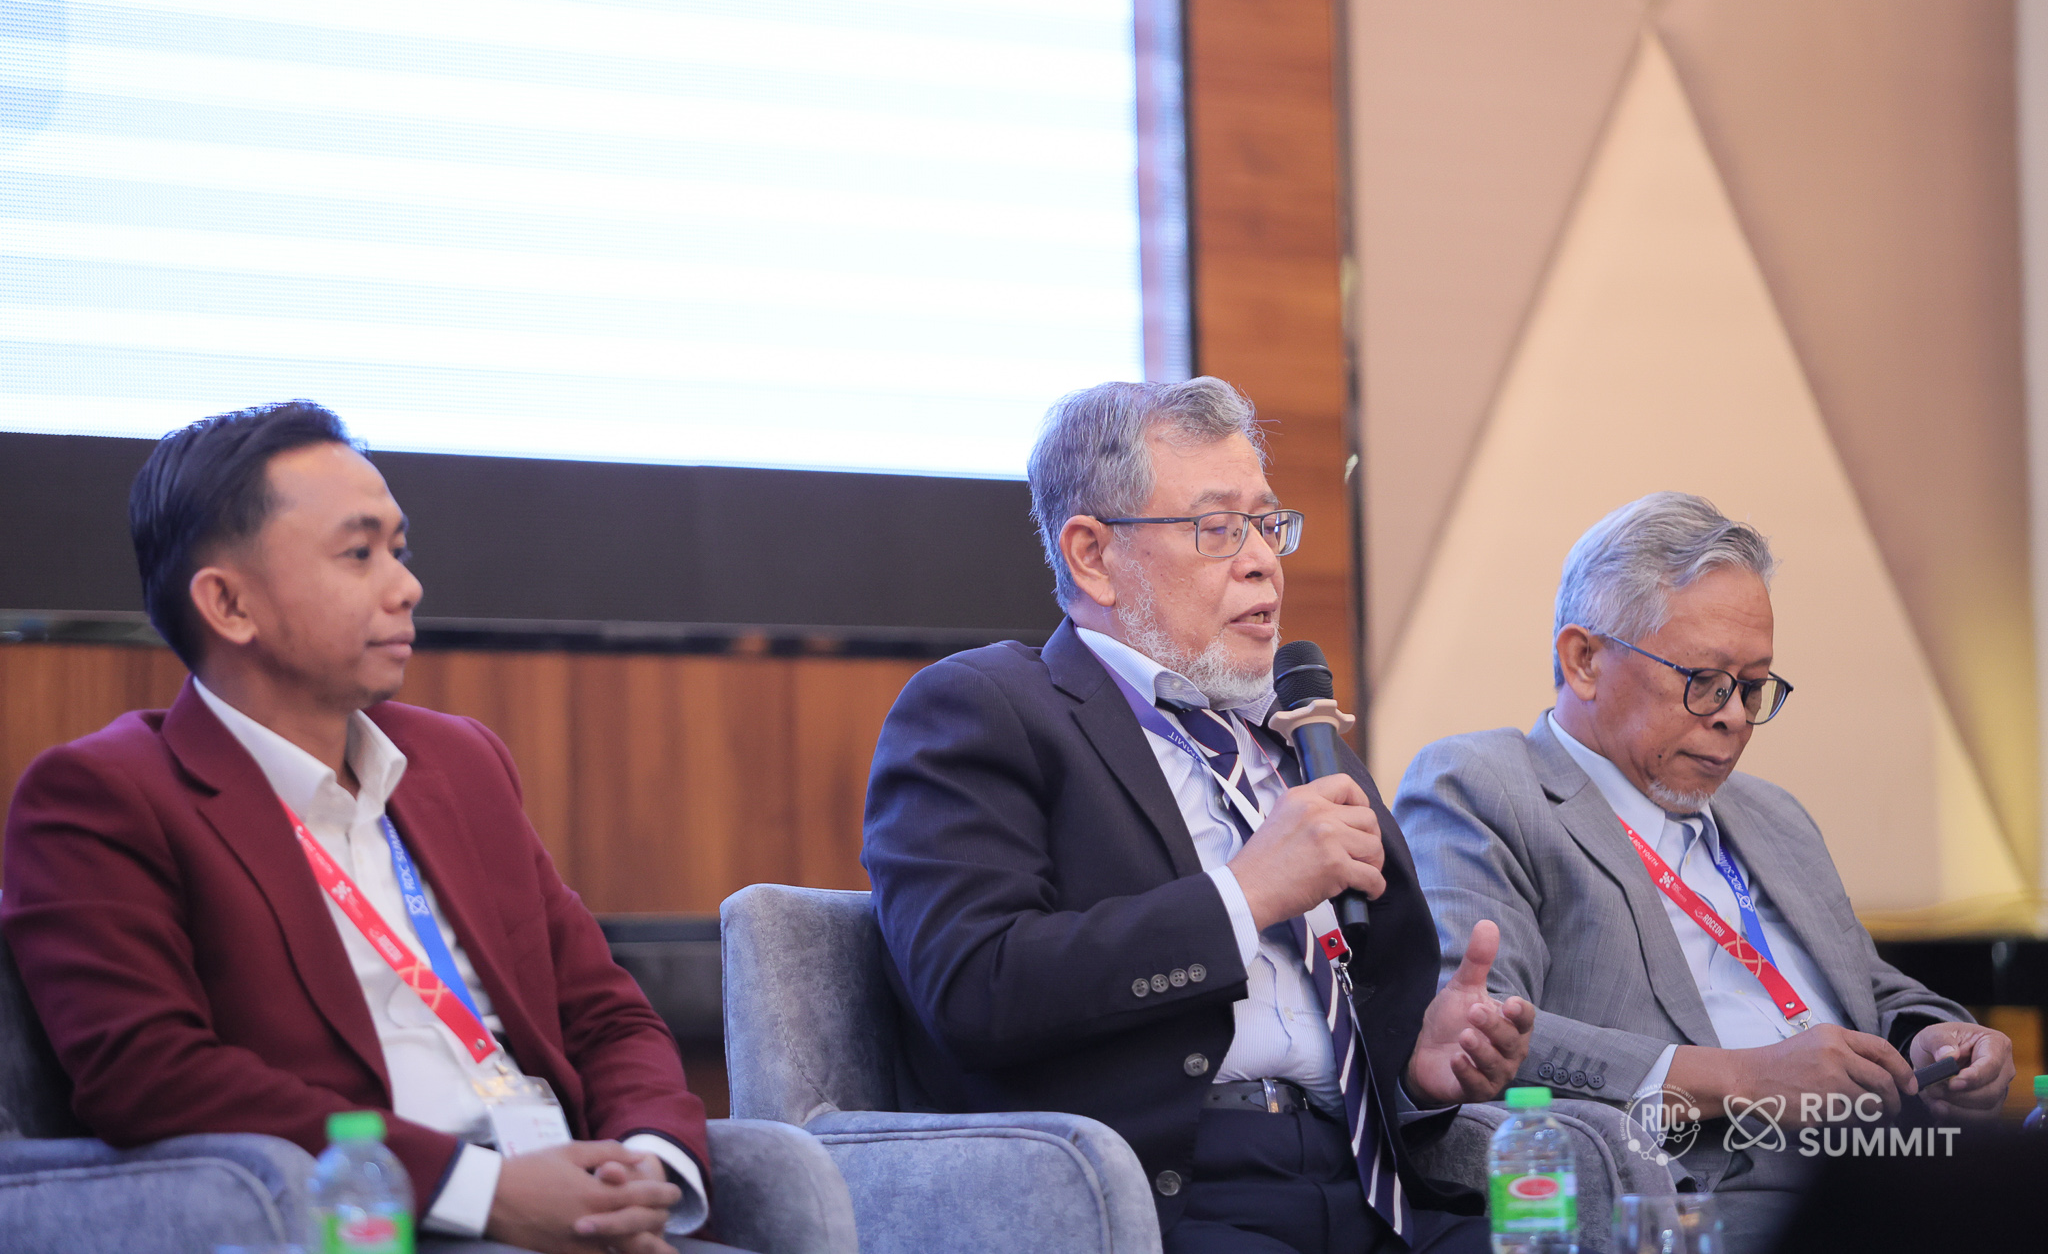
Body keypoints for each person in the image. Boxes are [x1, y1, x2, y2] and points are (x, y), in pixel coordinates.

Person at [2, 402, 725, 1254]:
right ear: (229, 603)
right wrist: (482, 1192)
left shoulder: (460, 764)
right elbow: (153, 1075)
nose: (406, 585)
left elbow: (605, 1015)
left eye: (399, 550)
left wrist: (643, 1166)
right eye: (359, 553)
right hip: (381, 1225)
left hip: (581, 1205)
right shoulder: (103, 797)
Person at [863, 378, 1535, 1254]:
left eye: (1267, 523)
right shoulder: (987, 708)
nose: (1263, 562)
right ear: (1093, 555)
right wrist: (1244, 895)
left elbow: (1367, 996)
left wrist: (1417, 1068)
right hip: (1168, 1198)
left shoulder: (1297, 743)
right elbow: (974, 985)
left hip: (1372, 1191)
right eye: (1218, 528)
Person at [1392, 491, 2015, 1253]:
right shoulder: (1487, 786)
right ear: (1584, 659)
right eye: (1705, 680)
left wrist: (1934, 1039)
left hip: (1887, 1169)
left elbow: (1874, 990)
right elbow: (1479, 1029)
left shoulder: (1773, 815)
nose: (1734, 716)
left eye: (1752, 687)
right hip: (1705, 1198)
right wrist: (1744, 1078)